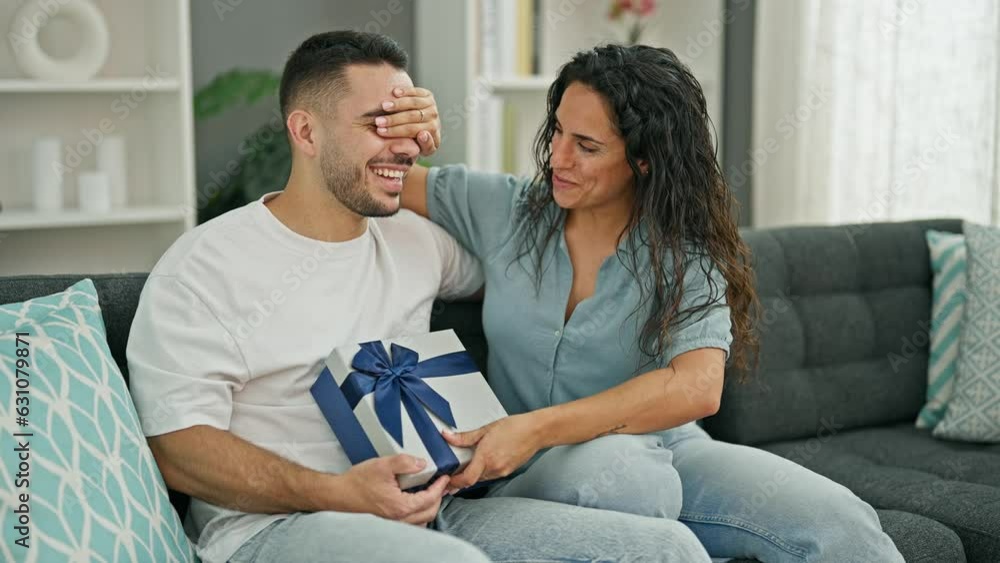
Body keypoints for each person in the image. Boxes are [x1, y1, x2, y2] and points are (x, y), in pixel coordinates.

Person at [127, 31, 713, 563]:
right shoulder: (204, 267)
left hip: (437, 508)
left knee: (671, 550)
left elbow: (533, 268)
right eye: (377, 125)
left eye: (406, 125)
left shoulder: (415, 240)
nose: (403, 146)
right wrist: (335, 492)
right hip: (281, 526)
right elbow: (178, 448)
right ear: (305, 131)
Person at [397, 44, 906, 562]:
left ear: (643, 159)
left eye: (587, 146)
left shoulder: (685, 253)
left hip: (669, 452)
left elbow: (698, 387)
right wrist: (409, 128)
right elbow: (371, 175)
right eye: (557, 132)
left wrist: (532, 428)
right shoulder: (505, 210)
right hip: (540, 475)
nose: (558, 158)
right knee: (626, 476)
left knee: (842, 521)